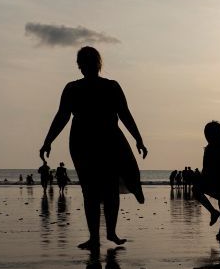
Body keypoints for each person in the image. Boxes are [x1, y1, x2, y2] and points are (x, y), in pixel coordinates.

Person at [40, 46, 147, 250]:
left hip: (88, 141)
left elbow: (62, 116)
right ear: (98, 64)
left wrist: (48, 141)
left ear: (80, 65)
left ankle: (97, 237)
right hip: (100, 140)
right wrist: (138, 139)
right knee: (107, 190)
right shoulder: (107, 87)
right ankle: (107, 233)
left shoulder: (77, 88)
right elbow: (124, 114)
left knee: (92, 191)